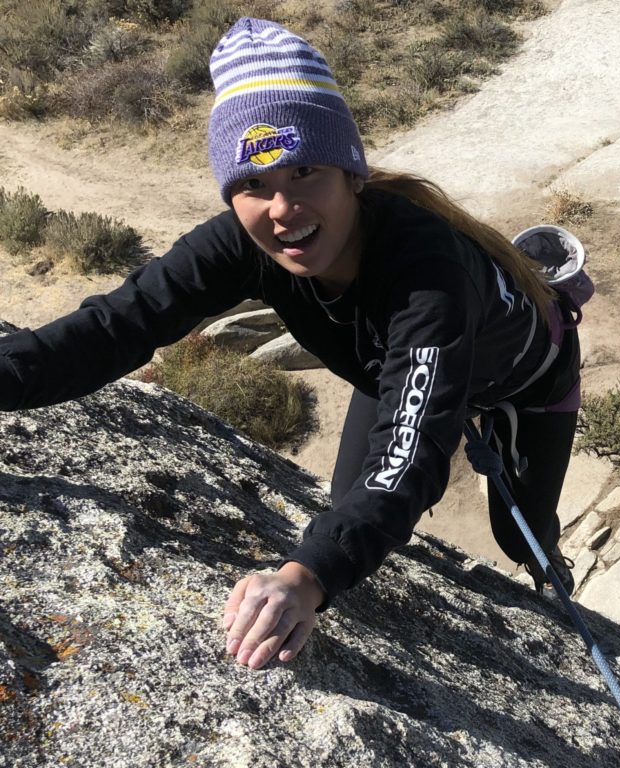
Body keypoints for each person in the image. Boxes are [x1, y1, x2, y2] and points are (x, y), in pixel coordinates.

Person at [0, 18, 582, 670]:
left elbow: (413, 452)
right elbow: (116, 326)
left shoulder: (425, 269)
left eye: (304, 170)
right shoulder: (239, 246)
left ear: (350, 173)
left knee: (517, 530)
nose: (281, 207)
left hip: (529, 382)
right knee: (345, 512)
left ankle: (549, 565)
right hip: (399, 368)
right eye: (253, 183)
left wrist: (305, 581)